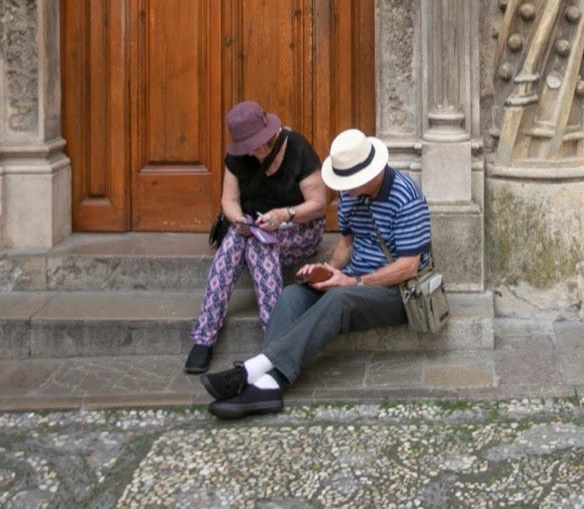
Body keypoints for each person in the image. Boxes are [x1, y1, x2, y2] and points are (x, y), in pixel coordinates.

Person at [201, 127, 432, 419]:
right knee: (292, 296)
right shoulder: (351, 196)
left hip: (397, 291)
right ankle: (268, 384)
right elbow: (347, 243)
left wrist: (354, 281)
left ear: (368, 175)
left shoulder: (406, 196)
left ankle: (253, 371)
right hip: (354, 281)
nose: (344, 189)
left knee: (339, 300)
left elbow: (409, 267)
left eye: (349, 182)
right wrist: (329, 270)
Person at [183, 100, 327, 376]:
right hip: (254, 228)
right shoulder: (237, 157)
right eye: (247, 146)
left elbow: (318, 205)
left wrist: (284, 214)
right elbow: (229, 200)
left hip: (300, 228)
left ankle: (273, 342)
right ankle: (205, 338)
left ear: (269, 135)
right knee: (237, 242)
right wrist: (237, 220)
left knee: (260, 245)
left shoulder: (297, 149)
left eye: (257, 144)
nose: (252, 151)